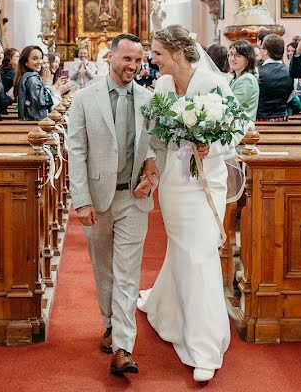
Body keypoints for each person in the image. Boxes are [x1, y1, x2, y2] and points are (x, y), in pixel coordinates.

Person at [137, 24, 238, 382]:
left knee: (200, 255)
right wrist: (150, 163)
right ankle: (166, 308)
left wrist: (214, 147)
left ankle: (205, 346)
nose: (153, 58)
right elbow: (153, 131)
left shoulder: (214, 85)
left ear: (179, 52)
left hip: (205, 182)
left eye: (158, 53)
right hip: (174, 182)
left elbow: (239, 128)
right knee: (182, 251)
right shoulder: (163, 86)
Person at [67, 33, 160, 377]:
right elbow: (75, 151)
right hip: (98, 198)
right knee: (103, 267)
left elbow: (154, 146)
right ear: (110, 57)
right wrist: (81, 201)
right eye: (127, 59)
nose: (133, 67)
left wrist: (152, 167)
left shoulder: (149, 99)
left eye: (139, 61)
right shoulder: (85, 98)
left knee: (127, 274)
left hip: (133, 197)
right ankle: (109, 324)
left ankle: (123, 346)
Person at [256, 34, 294, 121]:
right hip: (282, 119)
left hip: (261, 120)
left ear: (266, 51)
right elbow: (289, 98)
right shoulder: (292, 73)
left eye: (261, 48)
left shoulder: (257, 72)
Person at [14, 45, 55, 121]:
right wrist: (47, 85)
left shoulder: (28, 77)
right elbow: (43, 102)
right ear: (26, 62)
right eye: (35, 59)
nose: (40, 62)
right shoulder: (32, 79)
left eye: (41, 58)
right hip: (34, 123)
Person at [227, 40, 258, 118]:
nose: (232, 59)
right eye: (230, 54)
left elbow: (230, 105)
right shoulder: (235, 78)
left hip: (243, 126)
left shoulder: (247, 79)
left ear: (248, 59)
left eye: (237, 56)